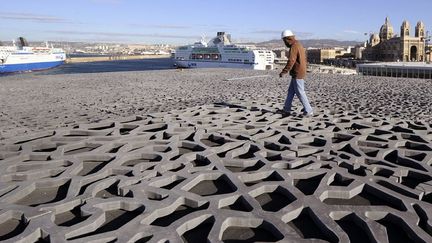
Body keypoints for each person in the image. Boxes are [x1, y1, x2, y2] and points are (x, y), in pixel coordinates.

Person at [279, 29, 313, 116]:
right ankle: (286, 109)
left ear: (287, 39)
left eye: (284, 40)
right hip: (298, 72)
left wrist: (284, 71)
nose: (284, 42)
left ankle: (308, 111)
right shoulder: (299, 45)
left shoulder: (294, 47)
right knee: (291, 91)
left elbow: (291, 60)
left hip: (298, 72)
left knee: (300, 92)